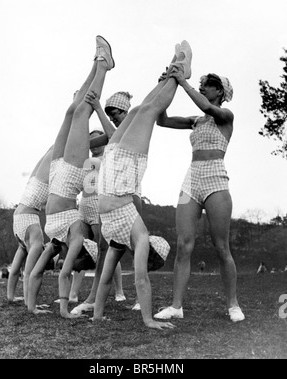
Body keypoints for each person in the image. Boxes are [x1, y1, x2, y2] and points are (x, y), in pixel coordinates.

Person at [91, 40, 193, 330]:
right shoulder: (130, 235)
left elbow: (132, 279)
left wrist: (147, 319)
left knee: (144, 110)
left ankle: (177, 73)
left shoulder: (124, 239)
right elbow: (126, 278)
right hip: (117, 175)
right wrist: (145, 320)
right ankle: (171, 75)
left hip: (116, 172)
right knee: (140, 110)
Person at [27, 35, 114, 318]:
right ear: (79, 253)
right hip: (69, 179)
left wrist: (31, 306)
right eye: (73, 260)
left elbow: (37, 272)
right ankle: (101, 66)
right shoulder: (76, 235)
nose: (67, 262)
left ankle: (101, 64)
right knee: (79, 114)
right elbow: (64, 275)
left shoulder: (55, 242)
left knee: (71, 113)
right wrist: (64, 310)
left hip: (57, 178)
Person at [154, 64, 245, 322]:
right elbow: (163, 120)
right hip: (191, 179)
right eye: (201, 84)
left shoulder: (225, 115)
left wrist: (183, 82)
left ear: (219, 91)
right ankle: (176, 306)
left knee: (221, 246)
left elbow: (206, 107)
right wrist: (166, 85)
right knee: (183, 245)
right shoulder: (196, 121)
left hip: (216, 178)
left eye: (208, 85)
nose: (203, 87)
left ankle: (233, 304)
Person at [71, 92, 138, 315]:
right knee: (104, 249)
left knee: (137, 247)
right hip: (110, 197)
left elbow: (113, 136)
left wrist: (98, 108)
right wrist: (80, 111)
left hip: (130, 195)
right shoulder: (110, 134)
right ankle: (92, 298)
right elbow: (85, 143)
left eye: (114, 113)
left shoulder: (131, 127)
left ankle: (137, 295)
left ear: (126, 111)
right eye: (109, 115)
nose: (112, 118)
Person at [65, 129, 126, 308]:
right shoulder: (86, 161)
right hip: (84, 204)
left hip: (99, 204)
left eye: (96, 140)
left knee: (105, 249)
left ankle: (119, 291)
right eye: (90, 140)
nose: (93, 144)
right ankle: (73, 294)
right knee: (82, 249)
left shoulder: (107, 158)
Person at [7, 145, 53, 305]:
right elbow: (29, 274)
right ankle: (28, 302)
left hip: (22, 213)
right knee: (54, 152)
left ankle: (11, 297)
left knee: (52, 151)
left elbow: (14, 272)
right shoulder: (36, 241)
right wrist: (30, 306)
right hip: (25, 214)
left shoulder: (31, 242)